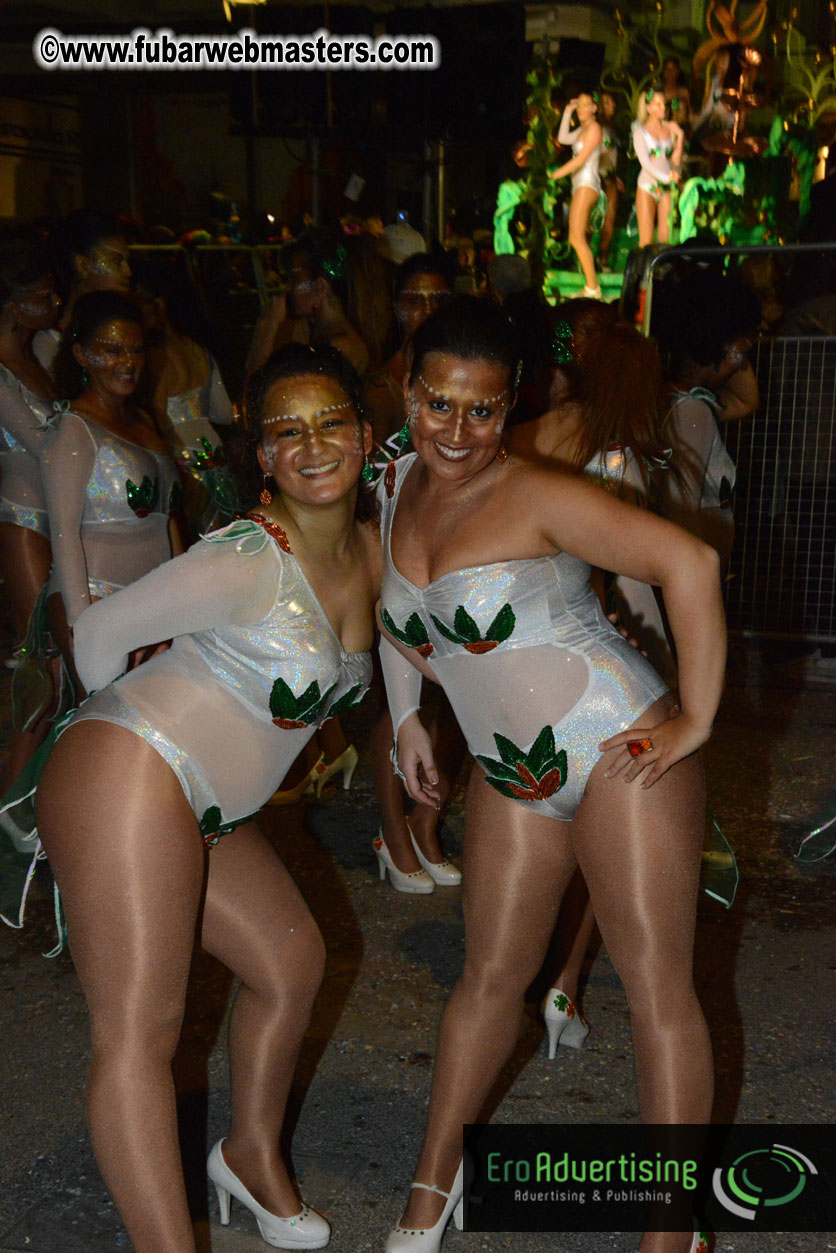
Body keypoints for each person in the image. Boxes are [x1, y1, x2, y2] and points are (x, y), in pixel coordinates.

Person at [377, 296, 724, 1253]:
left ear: (511, 403)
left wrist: (693, 719)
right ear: (409, 392)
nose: (459, 431)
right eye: (440, 403)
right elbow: (397, 613)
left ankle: (669, 1231)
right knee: (487, 980)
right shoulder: (396, 482)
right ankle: (428, 1188)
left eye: (483, 410)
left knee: (658, 990)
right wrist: (407, 712)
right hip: (512, 772)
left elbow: (687, 561)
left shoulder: (534, 491)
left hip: (618, 745)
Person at [31, 343, 379, 1252]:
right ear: (260, 456)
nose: (311, 444)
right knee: (144, 1031)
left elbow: (408, 648)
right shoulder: (243, 553)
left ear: (365, 434)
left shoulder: (370, 553)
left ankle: (250, 1156)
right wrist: (132, 704)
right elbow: (98, 633)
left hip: (206, 805)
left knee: (292, 960)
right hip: (133, 767)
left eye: (330, 421)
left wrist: (413, 723)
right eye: (285, 430)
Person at [42, 291, 183, 671]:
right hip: (99, 601)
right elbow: (63, 533)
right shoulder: (74, 428)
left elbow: (167, 523)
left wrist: (184, 601)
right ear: (82, 355)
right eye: (113, 350)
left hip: (155, 604)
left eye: (136, 351)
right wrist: (82, 623)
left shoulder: (146, 422)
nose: (128, 363)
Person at [0, 226, 64, 819]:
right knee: (39, 661)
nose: (55, 303)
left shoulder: (40, 353)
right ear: (15, 301)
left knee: (56, 661)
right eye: (44, 294)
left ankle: (30, 798)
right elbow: (46, 442)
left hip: (60, 517)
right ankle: (11, 806)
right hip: (22, 521)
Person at [136, 261, 241, 535]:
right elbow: (224, 413)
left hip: (181, 459)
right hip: (214, 455)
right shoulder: (198, 350)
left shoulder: (156, 354)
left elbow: (159, 413)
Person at [246, 233, 370, 380]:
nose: (288, 287)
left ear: (319, 287)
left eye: (294, 278)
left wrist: (268, 326)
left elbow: (257, 393)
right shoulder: (314, 333)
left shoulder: (340, 347)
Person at [33, 209, 132, 375]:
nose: (128, 272)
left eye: (127, 262)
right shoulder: (45, 343)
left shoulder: (126, 330)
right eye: (117, 261)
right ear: (82, 265)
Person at [548, 93, 604, 298]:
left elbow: (580, 161)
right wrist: (568, 111)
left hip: (587, 184)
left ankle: (593, 287)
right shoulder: (582, 129)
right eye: (578, 107)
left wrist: (555, 174)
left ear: (594, 108)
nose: (581, 110)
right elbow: (562, 138)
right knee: (574, 237)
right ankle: (591, 285)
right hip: (579, 185)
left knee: (577, 238)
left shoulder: (595, 129)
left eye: (584, 106)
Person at [632, 87, 684, 248]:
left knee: (665, 239)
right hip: (647, 187)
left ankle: (662, 272)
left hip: (665, 189)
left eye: (664, 103)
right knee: (646, 240)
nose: (663, 107)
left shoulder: (669, 128)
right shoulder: (640, 133)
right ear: (648, 108)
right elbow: (645, 163)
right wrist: (666, 177)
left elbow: (674, 160)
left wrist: (680, 137)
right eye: (658, 104)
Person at [597, 91, 624, 272]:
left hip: (611, 177)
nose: (611, 104)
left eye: (612, 101)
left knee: (610, 218)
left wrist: (617, 176)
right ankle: (587, 258)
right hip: (598, 176)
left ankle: (603, 257)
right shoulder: (596, 127)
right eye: (606, 102)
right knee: (594, 219)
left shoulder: (613, 128)